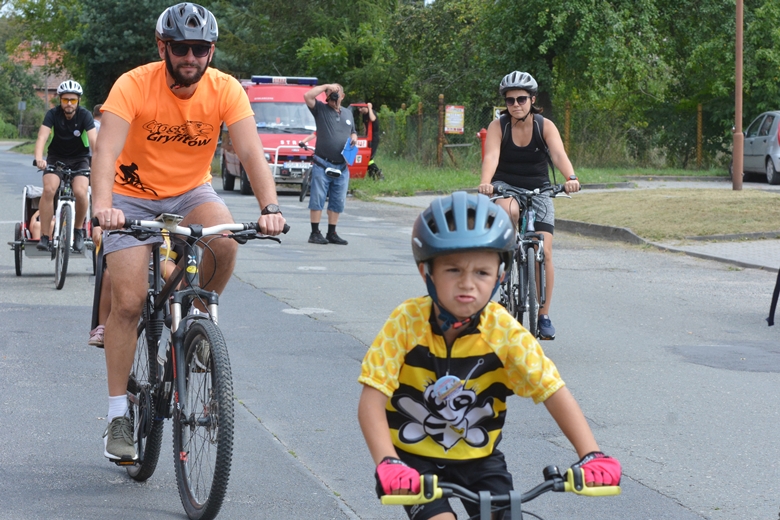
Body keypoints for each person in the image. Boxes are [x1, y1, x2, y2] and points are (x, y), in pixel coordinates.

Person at [91, 2, 285, 463]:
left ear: (211, 51)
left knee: (224, 239)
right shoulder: (134, 85)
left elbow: (251, 152)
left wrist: (270, 206)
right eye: (181, 48)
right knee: (131, 301)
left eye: (200, 49)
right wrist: (102, 206)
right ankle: (119, 415)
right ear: (163, 47)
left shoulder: (225, 90)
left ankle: (195, 328)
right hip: (129, 196)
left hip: (189, 193)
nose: (191, 57)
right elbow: (106, 152)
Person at [357, 193, 621, 519]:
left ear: (500, 276)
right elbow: (371, 401)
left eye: (482, 273)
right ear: (427, 273)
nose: (467, 284)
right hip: (413, 461)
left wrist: (590, 454)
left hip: (480, 461)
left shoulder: (503, 331)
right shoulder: (406, 322)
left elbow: (552, 389)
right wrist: (388, 463)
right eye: (453, 269)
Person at [477, 71, 581, 340]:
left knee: (545, 252)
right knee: (509, 211)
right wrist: (486, 182)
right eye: (510, 100)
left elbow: (558, 153)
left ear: (532, 100)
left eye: (521, 99)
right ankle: (506, 261)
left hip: (540, 190)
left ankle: (543, 315)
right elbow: (491, 155)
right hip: (507, 187)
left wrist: (571, 178)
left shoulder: (543, 125)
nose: (515, 105)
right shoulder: (499, 126)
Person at [33, 80, 97, 253]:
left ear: (78, 101)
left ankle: (78, 231)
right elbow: (42, 137)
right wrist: (39, 158)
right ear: (60, 100)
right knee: (49, 189)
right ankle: (46, 236)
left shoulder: (85, 115)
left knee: (81, 191)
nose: (69, 103)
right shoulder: (52, 114)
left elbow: (93, 141)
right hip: (56, 158)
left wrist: (98, 161)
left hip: (80, 158)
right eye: (65, 99)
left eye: (73, 100)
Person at [303, 82, 357, 245]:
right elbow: (308, 96)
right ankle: (315, 232)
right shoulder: (320, 109)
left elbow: (353, 131)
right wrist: (327, 86)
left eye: (337, 92)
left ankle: (332, 232)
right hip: (322, 163)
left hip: (342, 165)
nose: (334, 94)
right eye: (331, 92)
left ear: (343, 96)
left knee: (338, 200)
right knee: (318, 197)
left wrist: (354, 139)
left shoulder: (348, 113)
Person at [357, 102, 383, 180]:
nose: (360, 110)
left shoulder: (371, 112)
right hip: (368, 137)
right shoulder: (364, 116)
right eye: (358, 109)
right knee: (367, 157)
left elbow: (373, 119)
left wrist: (370, 108)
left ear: (365, 107)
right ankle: (372, 176)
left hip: (374, 137)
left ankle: (378, 173)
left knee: (369, 157)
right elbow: (365, 127)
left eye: (361, 108)